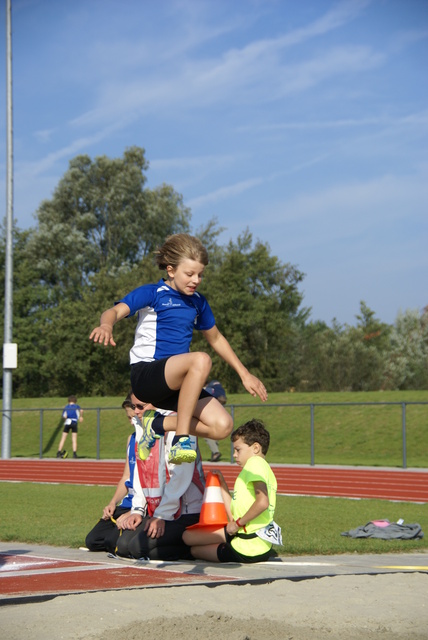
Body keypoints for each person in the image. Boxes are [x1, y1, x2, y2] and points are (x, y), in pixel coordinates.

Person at [89, 233, 267, 465]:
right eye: (190, 274)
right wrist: (106, 325)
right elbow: (114, 311)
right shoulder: (153, 293)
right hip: (146, 375)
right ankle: (180, 439)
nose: (196, 280)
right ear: (171, 270)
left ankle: (154, 424)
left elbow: (216, 338)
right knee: (201, 360)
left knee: (222, 426)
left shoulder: (198, 302)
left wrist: (245, 374)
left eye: (200, 274)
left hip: (176, 384)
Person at [114, 394, 205, 560]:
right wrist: (137, 510)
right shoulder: (141, 426)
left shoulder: (178, 423)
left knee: (138, 549)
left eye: (140, 407)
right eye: (134, 407)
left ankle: (197, 549)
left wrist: (163, 515)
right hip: (158, 510)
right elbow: (142, 473)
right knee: (123, 546)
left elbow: (181, 476)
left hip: (186, 511)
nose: (136, 412)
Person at [182, 419, 281, 563]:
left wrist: (237, 524)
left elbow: (262, 502)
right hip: (257, 544)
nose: (234, 455)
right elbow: (233, 513)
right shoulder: (263, 468)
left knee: (191, 544)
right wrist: (222, 484)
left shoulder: (254, 465)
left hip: (247, 547)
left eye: (238, 449)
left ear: (255, 448)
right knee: (190, 539)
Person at [85, 396, 137, 553]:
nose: (131, 422)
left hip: (144, 506)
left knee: (112, 542)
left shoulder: (155, 441)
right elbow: (126, 476)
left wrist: (135, 512)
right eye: (128, 418)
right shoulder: (131, 439)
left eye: (133, 418)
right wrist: (113, 502)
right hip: (128, 503)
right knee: (93, 541)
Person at [203, 380, 227, 462]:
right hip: (221, 405)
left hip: (214, 404)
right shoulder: (216, 383)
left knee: (207, 431)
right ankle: (214, 452)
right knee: (214, 430)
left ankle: (215, 452)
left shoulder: (209, 387)